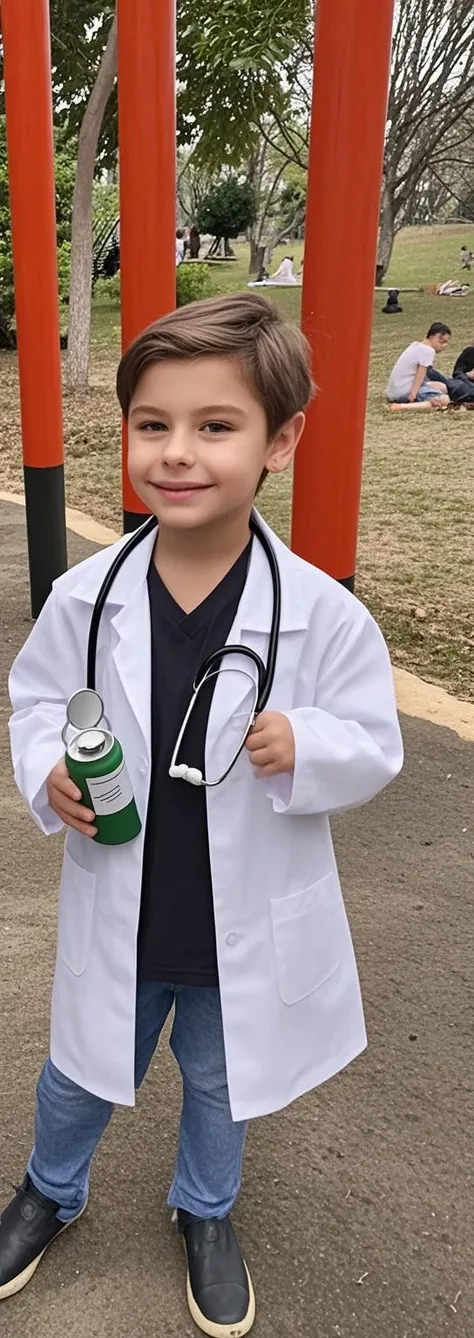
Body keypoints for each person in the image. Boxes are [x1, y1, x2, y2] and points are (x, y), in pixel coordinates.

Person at [2, 293, 403, 1334]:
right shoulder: (86, 597)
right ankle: (50, 1189)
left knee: (223, 1086)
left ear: (282, 441)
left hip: (241, 926)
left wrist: (308, 744)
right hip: (125, 912)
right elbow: (37, 701)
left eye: (215, 426)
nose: (177, 453)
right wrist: (46, 769)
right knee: (77, 1076)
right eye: (153, 424)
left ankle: (206, 1210)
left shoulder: (322, 614)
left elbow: (374, 741)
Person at [385, 322, 451, 411]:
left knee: (442, 387)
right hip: (404, 392)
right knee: (445, 400)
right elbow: (421, 373)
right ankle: (401, 407)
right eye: (442, 342)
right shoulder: (429, 351)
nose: (444, 346)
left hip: (395, 391)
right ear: (432, 337)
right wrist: (413, 394)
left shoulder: (416, 345)